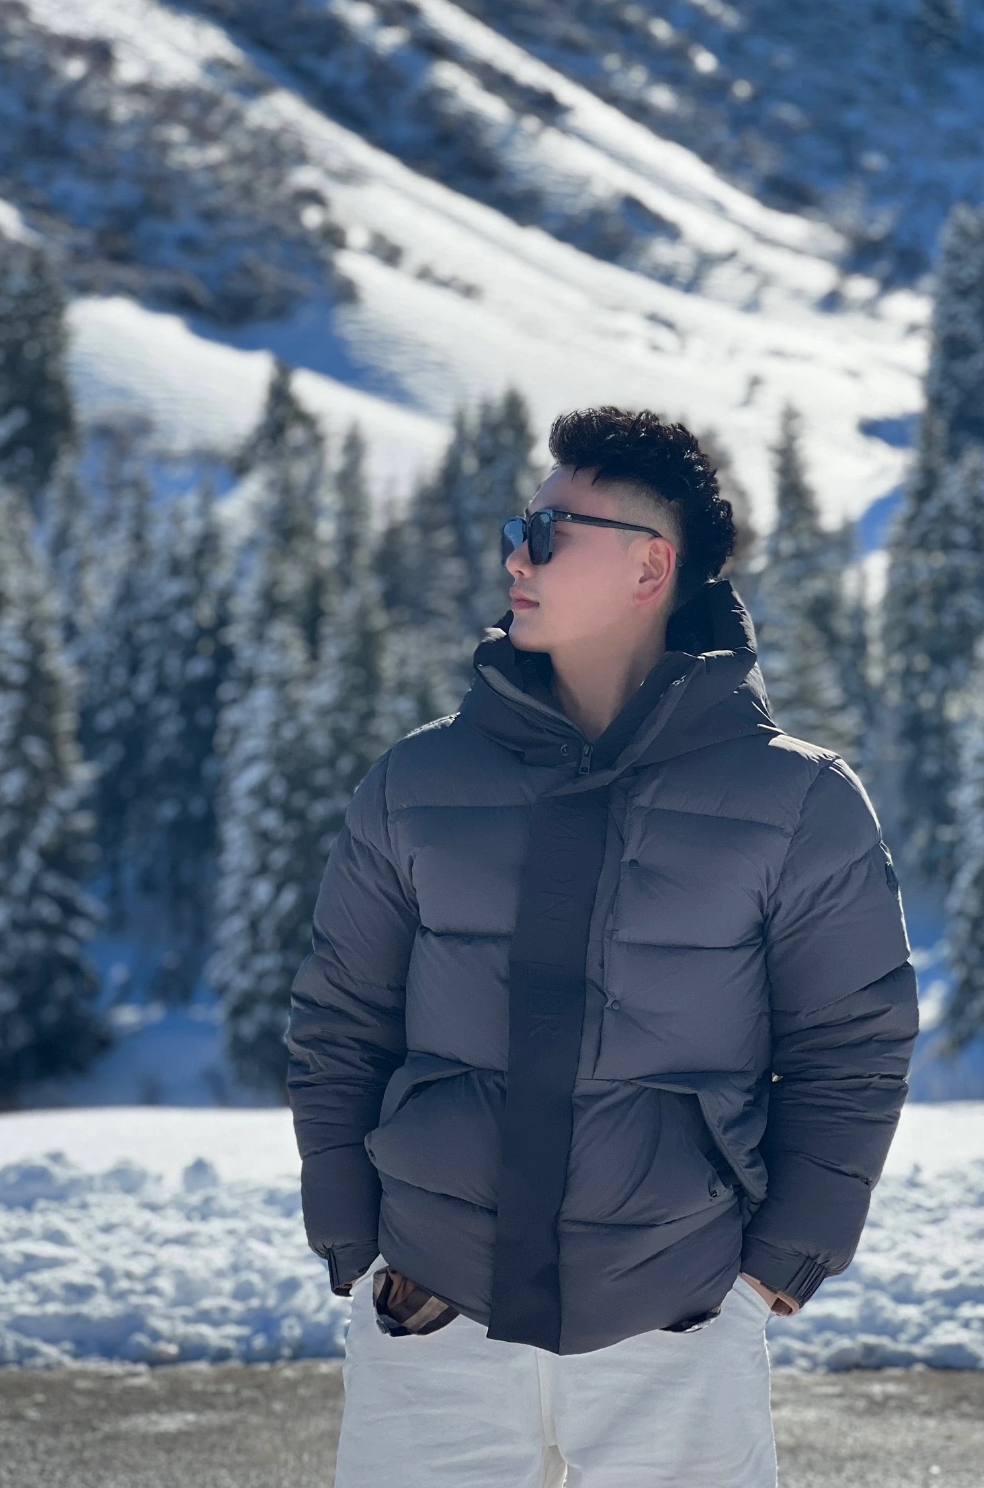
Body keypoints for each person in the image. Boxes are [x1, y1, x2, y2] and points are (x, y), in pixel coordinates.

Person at [288, 405, 919, 1487]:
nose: (515, 557)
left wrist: (775, 1267)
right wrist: (358, 1242)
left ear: (649, 566)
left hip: (676, 1324)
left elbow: (853, 1045)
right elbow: (340, 1020)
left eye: (546, 531)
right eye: (516, 529)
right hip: (431, 1318)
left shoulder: (800, 801)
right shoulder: (417, 782)